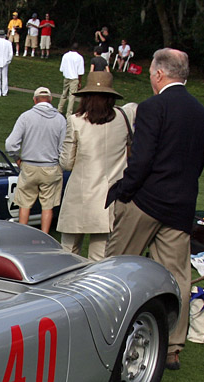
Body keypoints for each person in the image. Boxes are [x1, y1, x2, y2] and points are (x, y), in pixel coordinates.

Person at [104, 48, 204, 371]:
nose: (150, 77)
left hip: (146, 201)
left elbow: (141, 160)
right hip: (181, 205)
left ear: (160, 74)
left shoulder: (153, 108)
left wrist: (123, 191)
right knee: (177, 276)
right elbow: (199, 162)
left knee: (115, 267)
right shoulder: (201, 113)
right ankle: (173, 346)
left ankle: (104, 328)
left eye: (151, 72)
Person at [56, 72, 133, 261]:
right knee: (100, 258)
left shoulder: (76, 121)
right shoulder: (123, 118)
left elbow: (66, 163)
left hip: (80, 195)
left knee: (68, 254)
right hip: (109, 197)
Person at [5, 86, 66, 233]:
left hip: (29, 167)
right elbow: (63, 148)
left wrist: (17, 159)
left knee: (24, 204)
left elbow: (10, 144)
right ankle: (44, 236)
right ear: (51, 100)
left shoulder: (26, 117)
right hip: (51, 167)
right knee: (47, 206)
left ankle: (22, 235)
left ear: (34, 100)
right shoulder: (60, 119)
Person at [58, 43, 85, 116]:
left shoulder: (65, 55)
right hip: (74, 78)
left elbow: (62, 68)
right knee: (72, 96)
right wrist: (80, 82)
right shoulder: (79, 57)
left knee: (64, 94)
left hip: (66, 77)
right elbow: (80, 72)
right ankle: (68, 113)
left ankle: (59, 109)